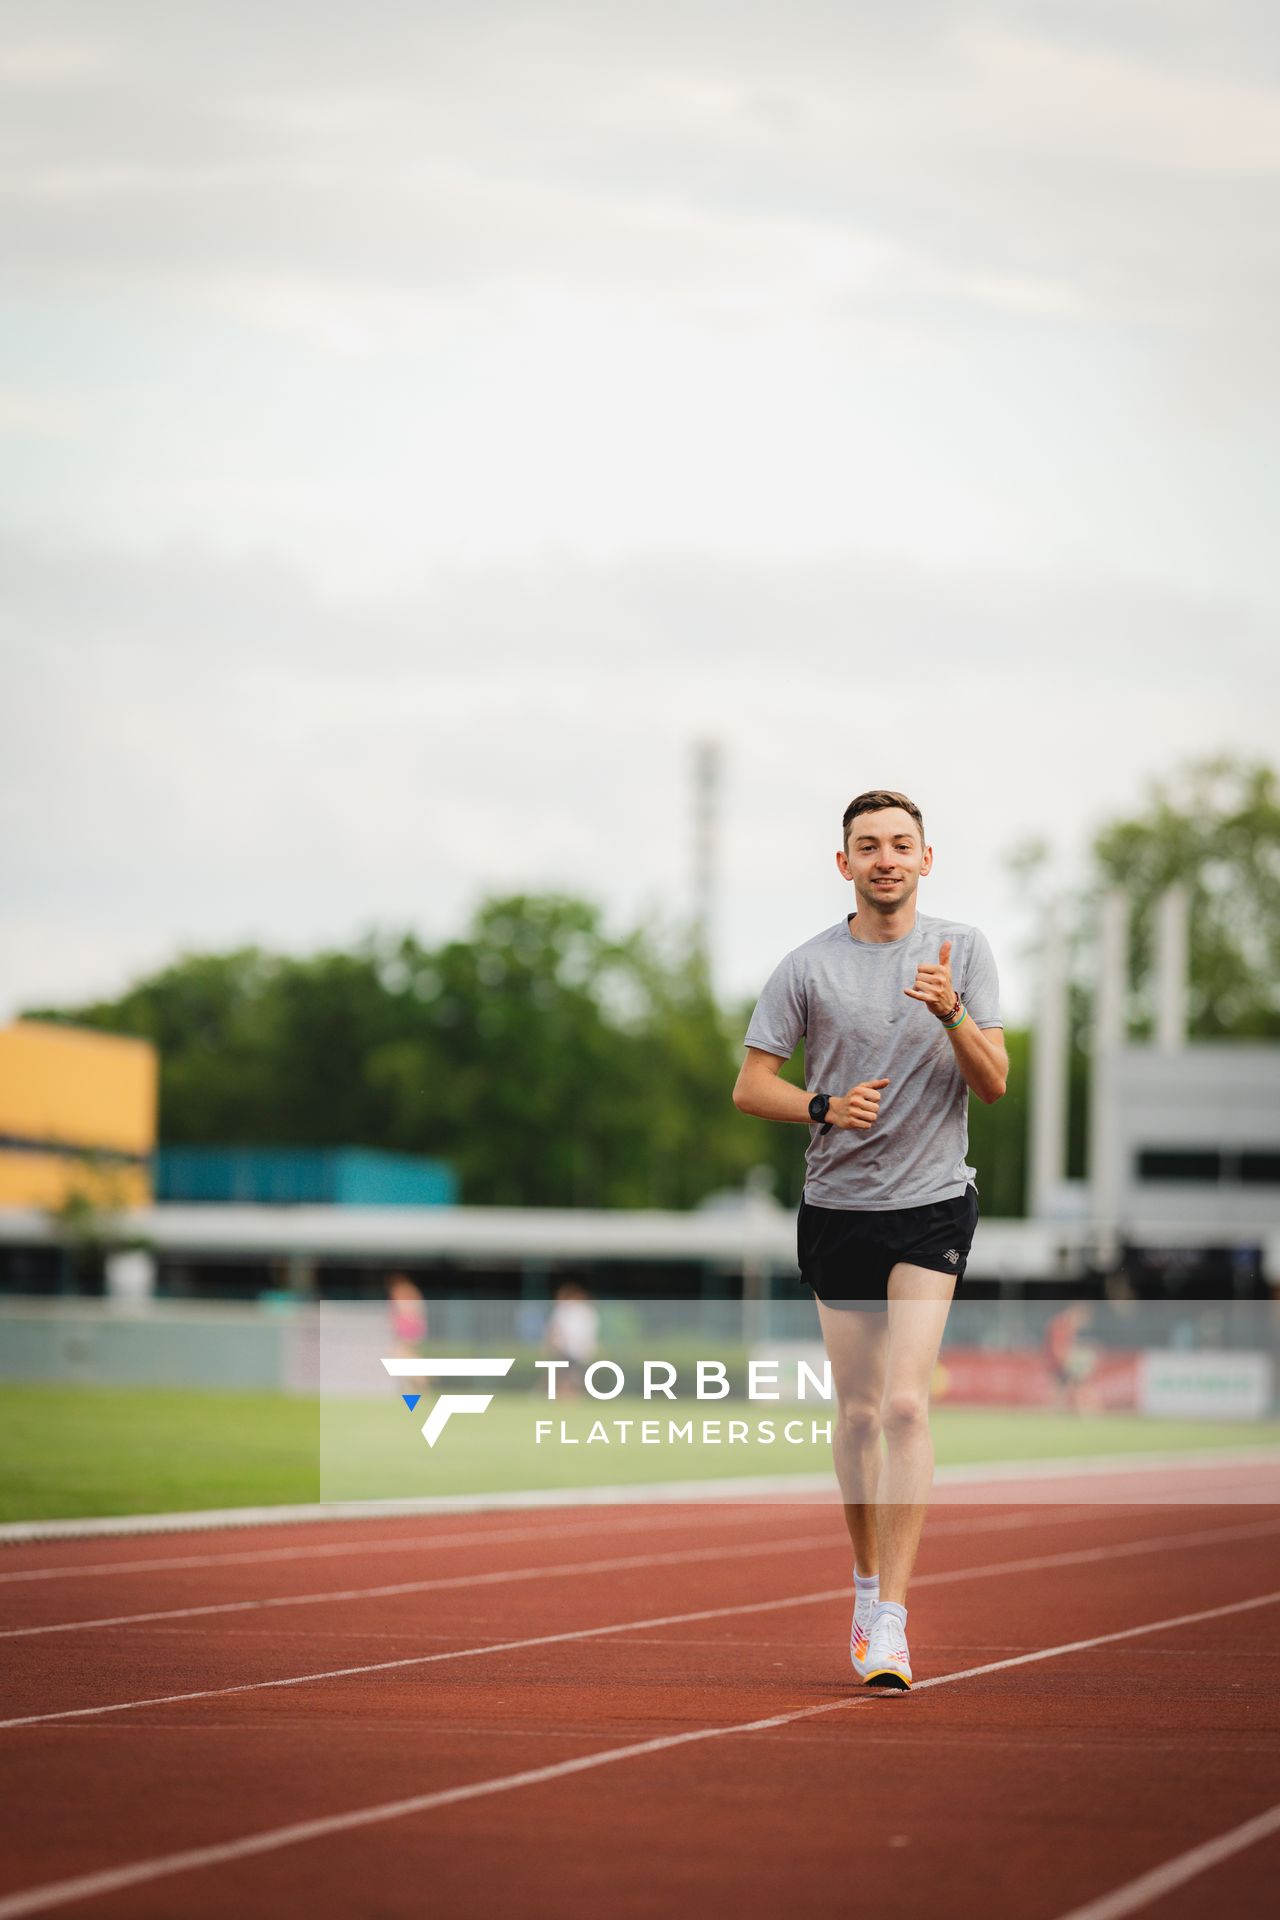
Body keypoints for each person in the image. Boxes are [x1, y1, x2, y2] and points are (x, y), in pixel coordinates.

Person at [733, 789, 1007, 1690]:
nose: (885, 858)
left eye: (900, 844)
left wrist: (952, 1013)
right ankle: (862, 1583)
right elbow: (751, 1086)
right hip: (839, 1207)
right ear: (843, 862)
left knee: (904, 1407)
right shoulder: (806, 967)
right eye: (867, 846)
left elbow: (996, 1084)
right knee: (855, 1416)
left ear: (927, 859)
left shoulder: (961, 952)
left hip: (931, 1202)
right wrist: (822, 1106)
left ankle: (891, 1617)